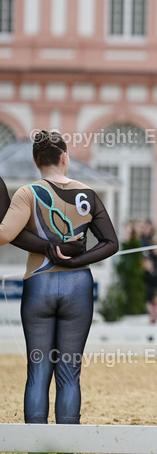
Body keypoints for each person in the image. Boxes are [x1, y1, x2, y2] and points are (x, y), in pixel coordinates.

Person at [0, 131, 119, 424]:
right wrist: (75, 258)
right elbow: (111, 243)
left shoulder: (27, 193)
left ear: (35, 160)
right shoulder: (87, 194)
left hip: (39, 283)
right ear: (65, 158)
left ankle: (35, 442)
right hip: (78, 284)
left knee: (38, 370)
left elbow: (4, 235)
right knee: (69, 370)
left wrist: (48, 249)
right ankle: (67, 440)